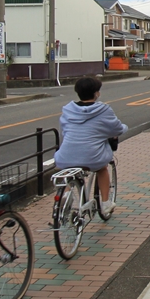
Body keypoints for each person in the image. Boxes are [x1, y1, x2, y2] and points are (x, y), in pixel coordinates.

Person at [54, 76, 127, 216]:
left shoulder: (68, 110)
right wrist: (123, 128)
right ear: (96, 93)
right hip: (92, 157)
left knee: (67, 170)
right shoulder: (103, 110)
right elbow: (116, 128)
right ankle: (105, 204)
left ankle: (65, 196)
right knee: (102, 169)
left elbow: (64, 130)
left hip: (66, 155)